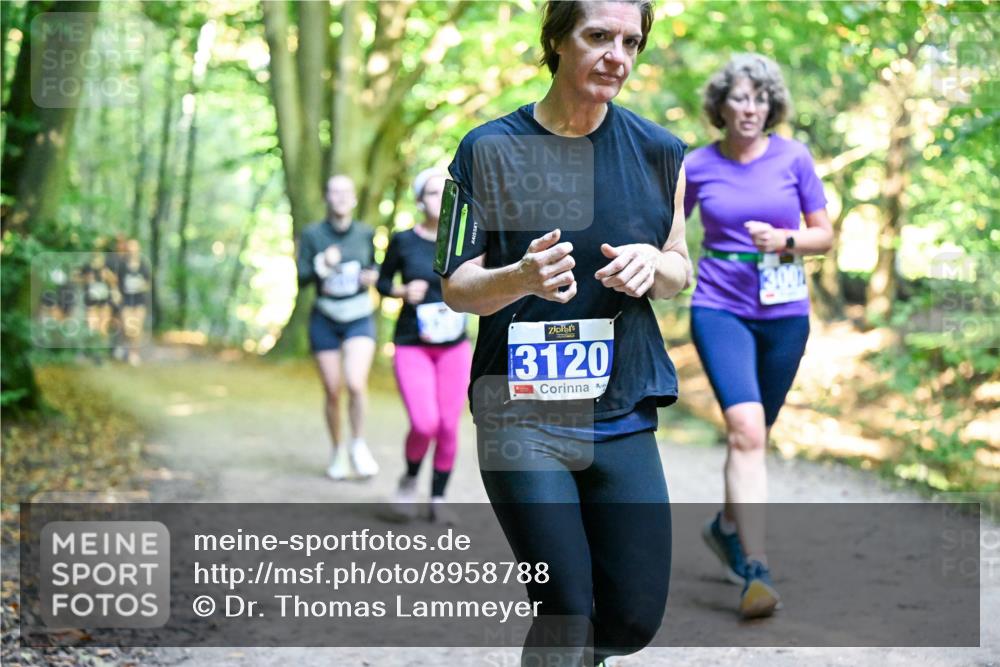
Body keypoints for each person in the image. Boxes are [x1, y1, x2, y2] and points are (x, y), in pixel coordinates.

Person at [439, 2, 690, 664]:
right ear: (556, 39)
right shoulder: (485, 149)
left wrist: (654, 264)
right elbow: (457, 286)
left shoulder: (661, 152)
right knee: (565, 610)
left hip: (620, 407)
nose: (617, 56)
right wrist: (519, 276)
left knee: (632, 618)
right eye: (598, 36)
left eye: (630, 42)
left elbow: (679, 268)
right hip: (521, 411)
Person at [683, 53, 834, 619]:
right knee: (745, 430)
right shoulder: (697, 164)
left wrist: (784, 240)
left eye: (761, 98)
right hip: (719, 307)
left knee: (755, 435)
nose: (751, 108)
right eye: (740, 98)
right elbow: (668, 232)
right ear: (721, 105)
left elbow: (824, 236)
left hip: (785, 311)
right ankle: (756, 568)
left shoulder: (794, 157)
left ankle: (725, 527)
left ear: (772, 107)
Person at [376, 168, 472, 524]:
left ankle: (438, 499)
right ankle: (409, 480)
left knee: (448, 425)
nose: (440, 198)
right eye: (432, 193)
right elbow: (382, 282)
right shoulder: (403, 240)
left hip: (454, 346)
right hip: (412, 344)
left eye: (446, 191)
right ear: (419, 201)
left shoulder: (465, 240)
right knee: (424, 422)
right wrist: (401, 291)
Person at [296, 175, 381, 481]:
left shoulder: (366, 233)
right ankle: (337, 451)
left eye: (347, 192)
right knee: (333, 390)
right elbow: (302, 278)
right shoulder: (312, 234)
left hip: (358, 315)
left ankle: (358, 444)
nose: (341, 197)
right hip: (325, 317)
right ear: (326, 198)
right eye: (335, 192)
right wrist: (322, 263)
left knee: (356, 383)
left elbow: (375, 267)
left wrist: (373, 275)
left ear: (354, 198)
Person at [116, 239, 151, 366]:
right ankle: (122, 345)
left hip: (139, 300)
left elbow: (148, 283)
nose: (132, 251)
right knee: (128, 327)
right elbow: (117, 282)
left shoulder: (144, 265)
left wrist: (141, 286)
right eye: (130, 249)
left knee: (137, 328)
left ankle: (134, 353)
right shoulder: (122, 265)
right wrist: (117, 293)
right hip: (126, 300)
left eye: (134, 248)